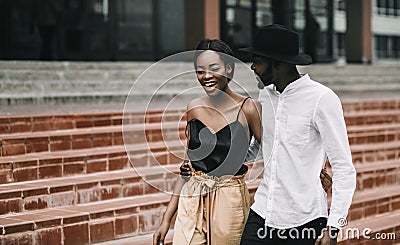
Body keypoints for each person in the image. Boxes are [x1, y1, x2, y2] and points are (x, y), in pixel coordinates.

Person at [239, 24, 356, 245]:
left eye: (258, 61)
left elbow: (343, 167)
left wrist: (334, 226)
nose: (253, 67)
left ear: (277, 63)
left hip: (305, 219)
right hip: (264, 210)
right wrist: (222, 154)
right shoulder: (265, 96)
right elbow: (262, 147)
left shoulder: (322, 99)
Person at [153, 39, 263, 245]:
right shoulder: (193, 107)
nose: (206, 76)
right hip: (192, 196)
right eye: (200, 70)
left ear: (229, 68)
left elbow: (274, 152)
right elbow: (187, 168)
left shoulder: (249, 108)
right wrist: (166, 220)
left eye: (214, 69)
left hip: (229, 199)